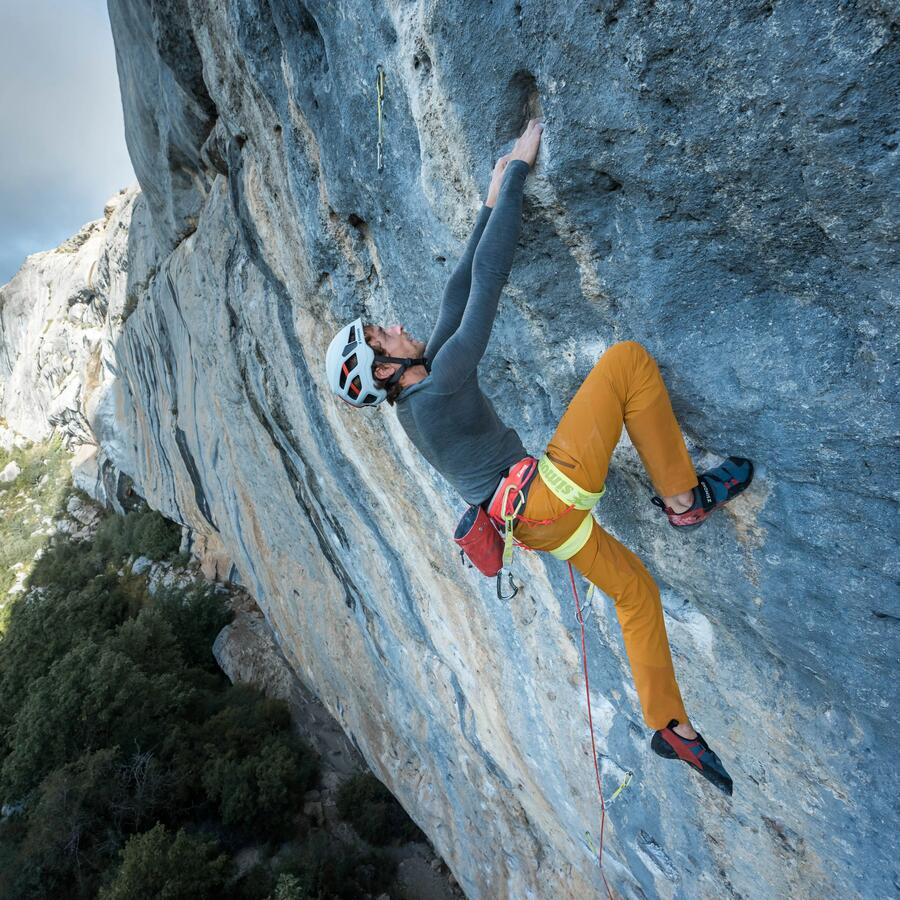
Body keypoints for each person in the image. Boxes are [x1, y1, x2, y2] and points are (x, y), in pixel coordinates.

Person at [326, 118, 752, 795]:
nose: (395, 325)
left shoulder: (420, 391)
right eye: (383, 333)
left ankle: (671, 725)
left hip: (534, 523)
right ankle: (683, 499)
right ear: (382, 369)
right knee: (626, 364)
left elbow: (456, 288)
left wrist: (491, 197)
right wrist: (520, 167)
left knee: (636, 592)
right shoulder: (435, 389)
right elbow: (490, 281)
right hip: (547, 494)